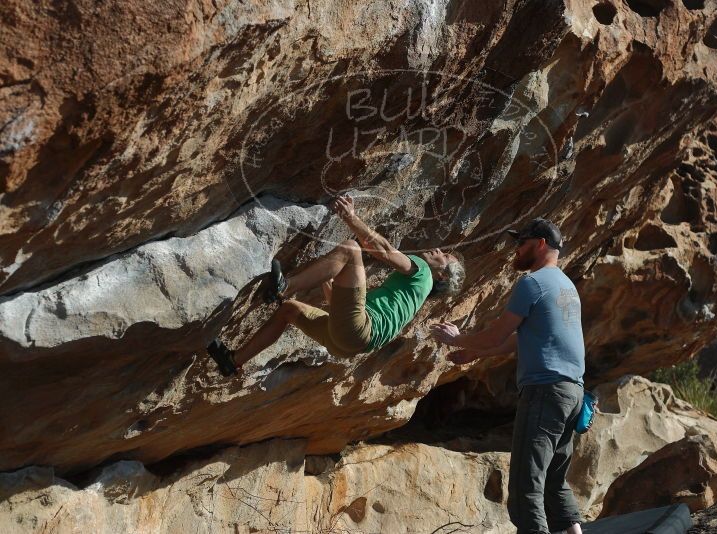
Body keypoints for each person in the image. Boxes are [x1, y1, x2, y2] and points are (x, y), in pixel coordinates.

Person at [431, 218, 585, 534]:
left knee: (525, 487)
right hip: (573, 393)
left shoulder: (533, 283)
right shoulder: (566, 287)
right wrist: (477, 353)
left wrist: (457, 339)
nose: (516, 250)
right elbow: (522, 339)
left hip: (545, 391)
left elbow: (497, 333)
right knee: (554, 484)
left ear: (540, 244)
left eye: (521, 243)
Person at [207, 194, 465, 376]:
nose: (439, 250)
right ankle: (233, 362)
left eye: (445, 256)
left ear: (442, 276)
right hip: (348, 344)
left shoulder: (424, 275)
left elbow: (384, 250)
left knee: (352, 249)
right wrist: (327, 279)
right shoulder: (411, 298)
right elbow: (342, 312)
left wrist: (350, 217)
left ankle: (284, 287)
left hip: (359, 330)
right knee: (290, 311)